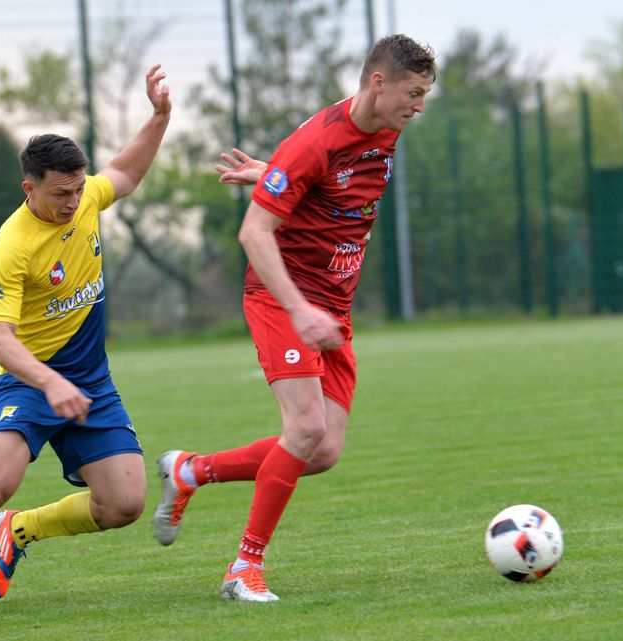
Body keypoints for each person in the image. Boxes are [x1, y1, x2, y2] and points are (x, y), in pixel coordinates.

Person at [151, 34, 436, 602]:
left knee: (323, 450)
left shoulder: (386, 127)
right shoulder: (317, 142)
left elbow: (327, 187)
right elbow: (253, 232)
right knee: (304, 429)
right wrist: (300, 309)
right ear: (378, 83)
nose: (419, 106)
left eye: (425, 95)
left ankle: (191, 471)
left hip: (332, 306)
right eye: (413, 92)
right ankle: (244, 568)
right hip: (285, 299)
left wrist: (275, 174)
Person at [0, 64, 171, 621]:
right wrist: (49, 383)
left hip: (90, 381)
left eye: (77, 189)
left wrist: (160, 117)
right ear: (29, 187)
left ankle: (19, 531)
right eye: (60, 193)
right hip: (30, 380)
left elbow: (125, 171)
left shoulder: (87, 199)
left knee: (124, 505)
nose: (74, 202)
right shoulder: (11, 248)